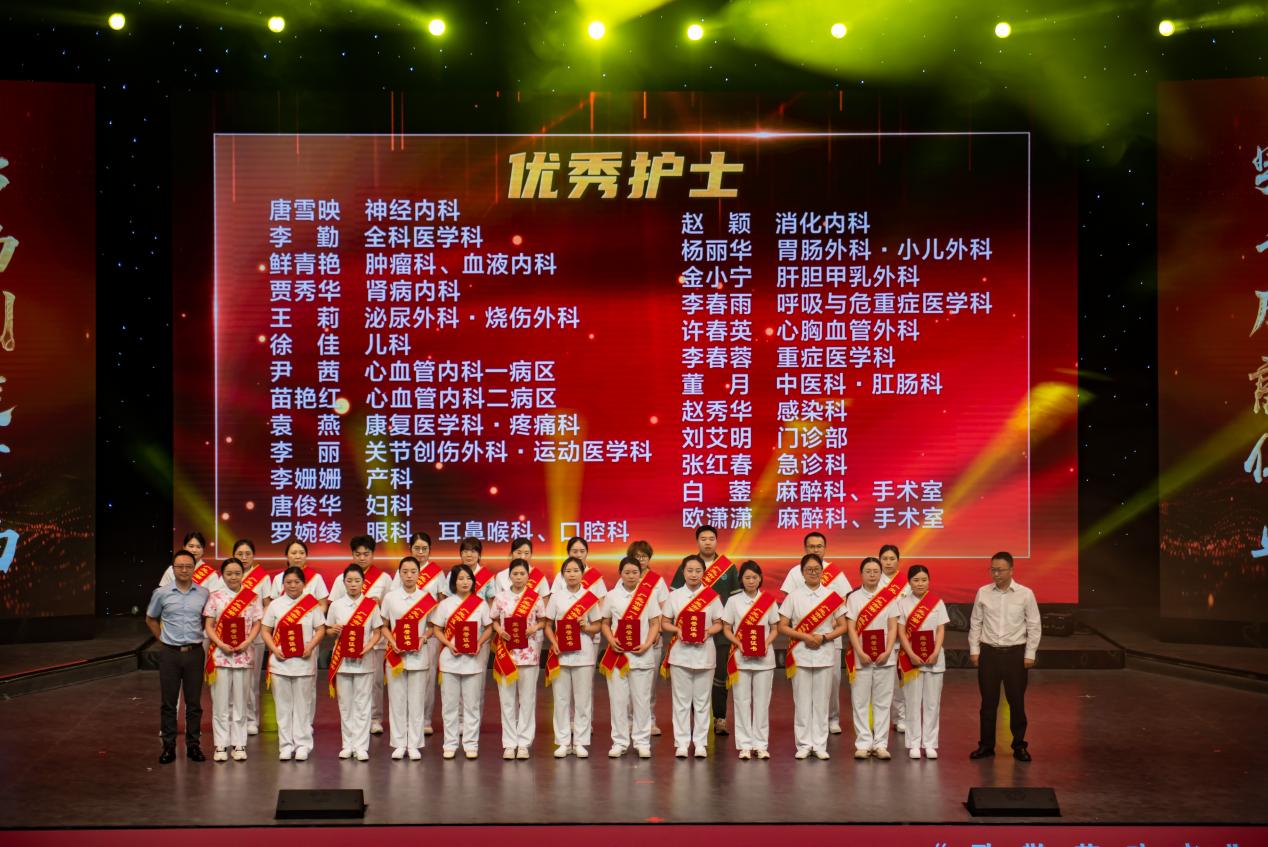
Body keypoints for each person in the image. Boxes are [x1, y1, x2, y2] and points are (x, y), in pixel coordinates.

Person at [968, 551, 1042, 762]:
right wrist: (974, 650)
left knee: (1016, 702)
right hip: (989, 654)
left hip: (1015, 655)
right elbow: (976, 623)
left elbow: (1034, 625)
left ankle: (1019, 745)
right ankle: (986, 745)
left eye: (1000, 570)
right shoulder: (983, 592)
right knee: (988, 703)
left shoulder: (1025, 594)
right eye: (993, 570)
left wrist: (1030, 653)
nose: (996, 574)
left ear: (1011, 570)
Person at [670, 525, 739, 738]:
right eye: (703, 538)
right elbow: (674, 598)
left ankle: (720, 718)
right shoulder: (688, 566)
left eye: (711, 538)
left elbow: (736, 600)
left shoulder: (728, 568)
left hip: (720, 629)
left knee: (720, 676)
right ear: (697, 541)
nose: (707, 542)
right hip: (689, 633)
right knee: (691, 679)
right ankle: (693, 723)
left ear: (717, 541)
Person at [779, 532, 851, 734]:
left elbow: (843, 601)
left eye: (819, 546)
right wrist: (803, 634)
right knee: (802, 688)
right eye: (811, 546)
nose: (815, 549)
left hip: (829, 637)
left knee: (832, 682)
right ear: (805, 548)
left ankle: (832, 718)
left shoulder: (835, 572)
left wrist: (830, 628)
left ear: (825, 548)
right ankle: (807, 725)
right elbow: (788, 602)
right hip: (801, 639)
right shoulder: (795, 572)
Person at [146, 550, 212, 764]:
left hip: (194, 653)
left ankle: (193, 745)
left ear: (194, 569)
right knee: (168, 702)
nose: (184, 570)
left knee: (194, 703)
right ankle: (169, 746)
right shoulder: (161, 593)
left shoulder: (203, 593)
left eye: (188, 566)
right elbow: (151, 618)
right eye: (179, 566)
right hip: (170, 654)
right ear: (173, 569)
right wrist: (163, 639)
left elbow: (207, 620)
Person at [662, 554, 725, 758]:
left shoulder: (711, 596)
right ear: (683, 572)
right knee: (681, 702)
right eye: (690, 570)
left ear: (704, 573)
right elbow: (665, 622)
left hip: (705, 654)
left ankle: (700, 743)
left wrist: (708, 632)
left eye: (698, 571)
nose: (694, 574)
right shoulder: (674, 596)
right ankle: (681, 743)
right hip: (680, 654)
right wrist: (677, 630)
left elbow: (719, 622)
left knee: (702, 702)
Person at [600, 556, 662, 759]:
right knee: (618, 702)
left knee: (642, 701)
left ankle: (642, 742)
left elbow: (655, 623)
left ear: (640, 573)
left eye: (635, 572)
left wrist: (647, 644)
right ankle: (619, 742)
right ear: (620, 574)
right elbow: (605, 623)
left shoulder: (649, 594)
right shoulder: (611, 596)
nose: (631, 576)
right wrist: (611, 640)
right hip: (618, 656)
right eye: (627, 572)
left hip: (642, 655)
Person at [329, 535, 393, 735]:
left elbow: (390, 606)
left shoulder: (384, 578)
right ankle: (352, 724)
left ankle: (375, 718)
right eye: (358, 554)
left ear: (373, 554)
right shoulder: (341, 579)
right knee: (349, 687)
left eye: (366, 554)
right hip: (346, 642)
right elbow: (334, 605)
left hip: (374, 640)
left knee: (375, 682)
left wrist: (377, 604)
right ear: (352, 554)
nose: (362, 558)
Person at [261, 565, 326, 761]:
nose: (292, 585)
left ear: (304, 584)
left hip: (304, 662)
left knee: (303, 707)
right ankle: (286, 745)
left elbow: (321, 629)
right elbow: (265, 630)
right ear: (283, 584)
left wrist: (310, 646)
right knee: (283, 707)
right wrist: (274, 649)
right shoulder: (275, 605)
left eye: (297, 582)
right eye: (288, 582)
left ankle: (303, 745)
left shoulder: (311, 604)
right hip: (280, 663)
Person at [202, 557, 263, 762]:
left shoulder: (252, 597)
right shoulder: (215, 597)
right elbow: (209, 624)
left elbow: (257, 623)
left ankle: (239, 743)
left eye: (237, 573)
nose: (233, 577)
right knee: (220, 703)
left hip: (243, 655)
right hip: (220, 656)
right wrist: (219, 643)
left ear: (242, 574)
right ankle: (220, 744)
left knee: (240, 702)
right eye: (229, 573)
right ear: (223, 575)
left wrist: (248, 642)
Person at [544, 556, 604, 758]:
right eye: (568, 571)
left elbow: (598, 625)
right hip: (561, 654)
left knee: (583, 700)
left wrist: (587, 627)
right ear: (562, 575)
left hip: (584, 654)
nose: (572, 574)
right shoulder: (556, 597)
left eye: (576, 570)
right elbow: (548, 625)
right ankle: (562, 742)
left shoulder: (589, 597)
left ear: (582, 573)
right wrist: (553, 642)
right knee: (561, 700)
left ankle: (580, 742)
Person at [381, 556, 440, 760]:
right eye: (405, 572)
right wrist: (392, 641)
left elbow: (433, 626)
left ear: (419, 574)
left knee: (416, 701)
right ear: (399, 574)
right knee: (396, 700)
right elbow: (383, 625)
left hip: (418, 655)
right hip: (396, 655)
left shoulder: (426, 599)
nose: (409, 575)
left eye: (413, 571)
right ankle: (398, 743)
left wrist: (424, 637)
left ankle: (414, 744)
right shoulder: (390, 598)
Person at [432, 563, 493, 759]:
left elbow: (489, 627)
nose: (465, 582)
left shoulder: (481, 604)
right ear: (454, 582)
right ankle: (450, 744)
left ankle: (471, 744)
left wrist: (479, 643)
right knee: (449, 706)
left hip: (473, 661)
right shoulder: (445, 605)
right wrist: (448, 644)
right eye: (460, 579)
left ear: (473, 582)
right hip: (450, 660)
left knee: (472, 705)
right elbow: (437, 629)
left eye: (468, 578)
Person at [845, 557, 903, 760]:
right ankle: (863, 743)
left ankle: (880, 744)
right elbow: (851, 628)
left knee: (883, 702)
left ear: (881, 574)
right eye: (868, 571)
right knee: (860, 701)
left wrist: (888, 651)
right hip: (861, 657)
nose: (872, 575)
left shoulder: (889, 597)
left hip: (884, 657)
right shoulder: (853, 598)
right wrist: (859, 651)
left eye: (875, 571)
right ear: (861, 574)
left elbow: (893, 627)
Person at [722, 560, 780, 760]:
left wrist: (766, 643)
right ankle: (744, 745)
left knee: (762, 703)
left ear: (760, 578)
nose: (751, 581)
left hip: (764, 659)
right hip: (741, 658)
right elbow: (726, 628)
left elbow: (775, 628)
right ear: (741, 580)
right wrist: (738, 643)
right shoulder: (733, 601)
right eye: (747, 577)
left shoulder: (768, 601)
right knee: (741, 701)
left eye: (754, 577)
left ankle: (761, 745)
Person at [325, 563, 384, 761]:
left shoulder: (370, 605)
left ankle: (361, 746)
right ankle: (347, 744)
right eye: (349, 581)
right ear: (343, 583)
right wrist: (333, 630)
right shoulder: (336, 605)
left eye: (357, 580)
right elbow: (327, 630)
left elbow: (377, 631)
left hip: (364, 661)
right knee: (345, 704)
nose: (353, 584)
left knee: (363, 704)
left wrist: (368, 647)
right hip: (342, 662)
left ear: (363, 583)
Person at [490, 558, 546, 759]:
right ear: (510, 576)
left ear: (528, 576)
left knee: (527, 700)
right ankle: (509, 743)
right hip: (507, 654)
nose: (519, 577)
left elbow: (543, 620)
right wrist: (500, 631)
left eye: (522, 574)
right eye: (515, 573)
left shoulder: (535, 598)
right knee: (507, 701)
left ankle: (523, 743)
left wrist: (534, 627)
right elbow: (493, 620)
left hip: (529, 654)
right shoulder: (500, 597)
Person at [897, 564, 949, 759]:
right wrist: (910, 653)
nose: (920, 583)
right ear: (909, 582)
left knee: (932, 703)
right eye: (916, 580)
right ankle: (913, 743)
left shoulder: (937, 602)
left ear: (929, 581)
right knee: (912, 702)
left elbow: (941, 629)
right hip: (911, 659)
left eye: (924, 580)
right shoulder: (902, 603)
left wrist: (935, 652)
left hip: (935, 658)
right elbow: (901, 632)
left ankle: (930, 744)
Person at [398, 532, 446, 736]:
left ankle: (425, 719)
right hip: (404, 632)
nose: (420, 552)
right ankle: (405, 720)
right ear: (410, 549)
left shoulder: (437, 573)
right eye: (416, 548)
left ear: (430, 550)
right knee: (403, 676)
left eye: (424, 549)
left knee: (428, 676)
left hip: (429, 632)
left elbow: (442, 601)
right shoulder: (402, 570)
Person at [230, 538, 272, 736]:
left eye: (248, 554)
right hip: (231, 635)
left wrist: (260, 625)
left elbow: (267, 604)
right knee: (231, 680)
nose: (244, 557)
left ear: (254, 556)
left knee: (252, 681)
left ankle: (252, 719)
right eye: (240, 554)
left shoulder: (262, 578)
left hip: (255, 635)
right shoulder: (228, 575)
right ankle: (234, 719)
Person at [627, 539, 669, 736]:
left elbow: (663, 609)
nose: (641, 560)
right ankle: (629, 720)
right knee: (628, 684)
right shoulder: (625, 578)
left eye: (644, 556)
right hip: (629, 639)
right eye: (637, 556)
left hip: (652, 638)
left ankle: (650, 720)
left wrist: (656, 632)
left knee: (649, 684)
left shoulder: (657, 581)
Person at [878, 544, 910, 733]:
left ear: (898, 560)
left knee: (902, 683)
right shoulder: (874, 580)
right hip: (881, 638)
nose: (888, 562)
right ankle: (880, 721)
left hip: (904, 638)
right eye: (885, 559)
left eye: (892, 559)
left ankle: (901, 718)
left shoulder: (907, 583)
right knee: (883, 683)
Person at [271, 539, 329, 611]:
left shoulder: (316, 577)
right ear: (287, 556)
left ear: (306, 555)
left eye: (302, 553)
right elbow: (273, 606)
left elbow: (323, 605)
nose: (298, 556)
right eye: (294, 553)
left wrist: (312, 616)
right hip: (283, 617)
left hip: (310, 617)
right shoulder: (278, 578)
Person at [159, 531, 223, 593]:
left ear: (203, 550)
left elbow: (214, 598)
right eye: (191, 546)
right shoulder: (171, 570)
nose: (194, 550)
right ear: (184, 547)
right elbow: (162, 594)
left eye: (198, 547)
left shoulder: (211, 575)